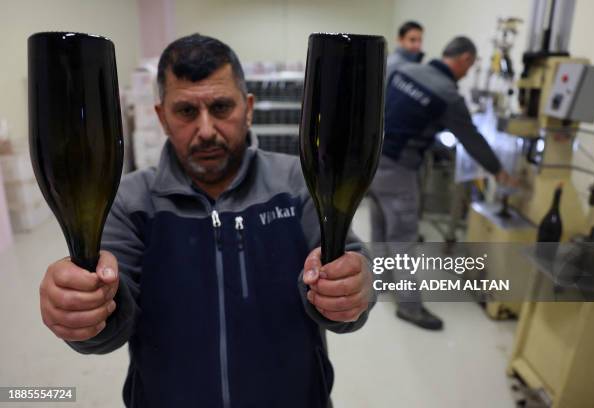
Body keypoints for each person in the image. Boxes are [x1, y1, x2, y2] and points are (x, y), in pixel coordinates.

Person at [38, 34, 374, 408]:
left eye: (220, 107)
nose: (207, 130)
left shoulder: (299, 184)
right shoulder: (130, 202)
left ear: (248, 108)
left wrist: (354, 286)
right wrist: (84, 312)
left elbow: (351, 274)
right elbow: (107, 326)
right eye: (186, 111)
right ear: (161, 116)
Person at [369, 36, 516, 331]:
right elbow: (470, 138)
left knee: (380, 227)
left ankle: (380, 283)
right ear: (463, 59)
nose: (468, 72)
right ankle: (409, 307)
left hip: (369, 161)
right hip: (398, 171)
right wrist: (498, 170)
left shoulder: (404, 71)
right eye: (470, 66)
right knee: (404, 240)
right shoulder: (448, 95)